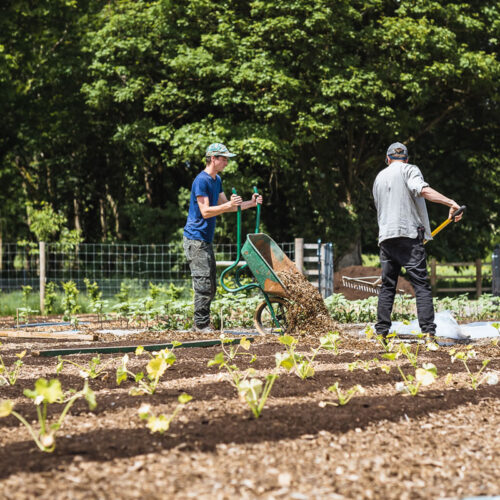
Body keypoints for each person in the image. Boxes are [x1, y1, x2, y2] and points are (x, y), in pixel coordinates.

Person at [372, 142, 463, 339]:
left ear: (388, 159)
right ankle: (429, 333)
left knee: (387, 285)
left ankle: (381, 333)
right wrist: (451, 202)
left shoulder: (379, 177)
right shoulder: (409, 170)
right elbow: (423, 190)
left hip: (386, 238)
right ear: (406, 158)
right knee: (421, 285)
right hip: (408, 236)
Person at [183, 143, 263, 333]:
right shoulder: (201, 181)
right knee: (203, 283)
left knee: (210, 285)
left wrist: (250, 203)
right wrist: (228, 206)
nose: (226, 162)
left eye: (227, 159)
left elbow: (227, 205)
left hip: (205, 239)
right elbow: (206, 211)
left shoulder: (216, 179)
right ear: (213, 158)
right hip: (195, 239)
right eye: (224, 158)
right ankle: (201, 325)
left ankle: (201, 324)